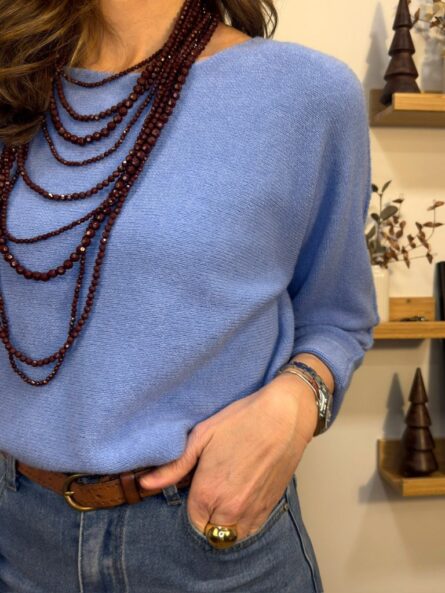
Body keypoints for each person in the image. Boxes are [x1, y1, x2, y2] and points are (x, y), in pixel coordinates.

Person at [0, 0, 379, 591]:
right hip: (19, 540)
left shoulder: (307, 94)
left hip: (212, 540)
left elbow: (338, 317)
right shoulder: (14, 83)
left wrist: (295, 405)